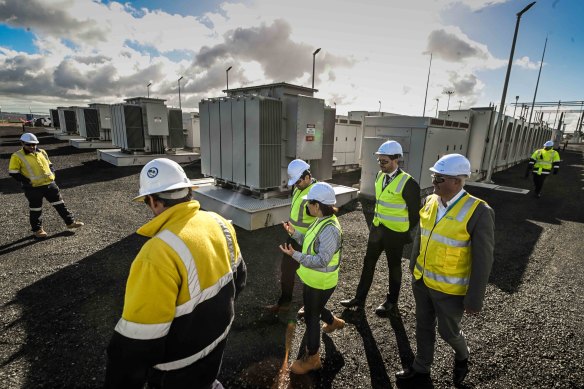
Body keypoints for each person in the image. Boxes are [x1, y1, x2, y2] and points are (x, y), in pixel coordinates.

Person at [105, 158, 247, 389]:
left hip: (176, 371)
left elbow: (136, 345)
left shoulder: (156, 254)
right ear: (189, 191)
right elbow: (239, 279)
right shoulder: (219, 222)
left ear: (152, 201)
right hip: (215, 349)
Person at [395, 154, 495, 386]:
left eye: (439, 178)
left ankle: (463, 355)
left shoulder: (479, 211)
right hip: (422, 281)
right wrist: (413, 264)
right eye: (433, 177)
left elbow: (483, 260)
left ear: (457, 182)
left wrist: (475, 299)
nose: (433, 182)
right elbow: (422, 234)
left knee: (448, 333)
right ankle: (421, 367)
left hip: (450, 289)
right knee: (423, 326)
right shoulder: (430, 201)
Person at [340, 140, 420, 316]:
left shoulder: (408, 183)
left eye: (384, 161)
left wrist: (407, 235)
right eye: (379, 161)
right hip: (377, 230)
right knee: (368, 264)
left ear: (395, 159)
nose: (380, 164)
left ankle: (392, 302)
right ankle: (359, 299)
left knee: (394, 267)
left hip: (395, 234)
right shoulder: (379, 177)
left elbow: (416, 214)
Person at [279, 182, 344, 374]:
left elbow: (322, 260)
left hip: (320, 282)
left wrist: (295, 255)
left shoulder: (330, 228)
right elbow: (310, 240)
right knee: (313, 307)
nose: (307, 206)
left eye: (309, 203)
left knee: (311, 315)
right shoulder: (321, 220)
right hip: (314, 280)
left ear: (318, 205)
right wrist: (295, 234)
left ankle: (313, 359)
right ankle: (333, 322)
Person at [266, 159, 317, 314]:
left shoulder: (315, 193)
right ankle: (284, 303)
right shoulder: (298, 188)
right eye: (294, 181)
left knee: (309, 276)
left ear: (308, 176)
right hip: (293, 238)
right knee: (286, 271)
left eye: (299, 181)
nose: (297, 184)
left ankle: (311, 307)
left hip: (308, 241)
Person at [8, 132, 83, 238]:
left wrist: (52, 174)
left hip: (50, 185)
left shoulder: (42, 152)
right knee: (36, 209)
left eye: (34, 144)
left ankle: (70, 223)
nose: (32, 146)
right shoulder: (17, 156)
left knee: (60, 204)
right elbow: (13, 172)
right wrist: (28, 182)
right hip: (33, 188)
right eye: (29, 144)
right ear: (22, 143)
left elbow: (50, 165)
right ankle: (37, 230)